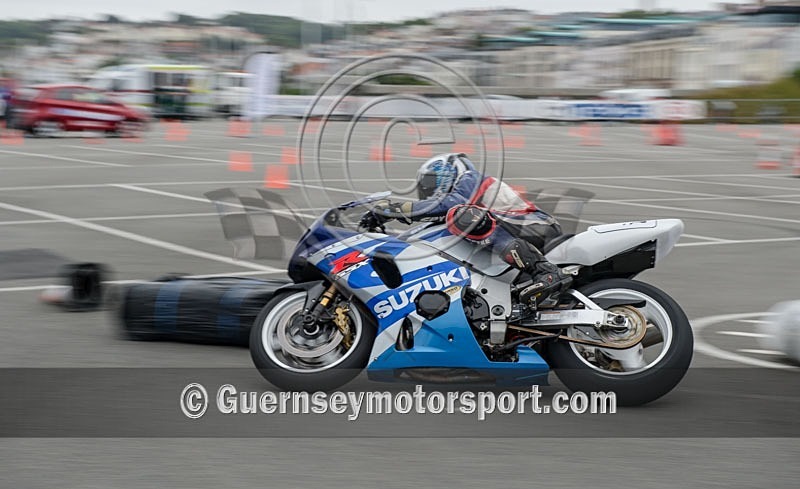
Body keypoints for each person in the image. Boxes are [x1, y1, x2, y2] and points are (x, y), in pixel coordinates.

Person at [371, 153, 572, 307]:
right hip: (516, 232)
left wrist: (394, 209)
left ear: (450, 171)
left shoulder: (470, 178)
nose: (428, 190)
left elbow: (447, 205)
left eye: (433, 181)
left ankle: (546, 272)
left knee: (463, 216)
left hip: (536, 225)